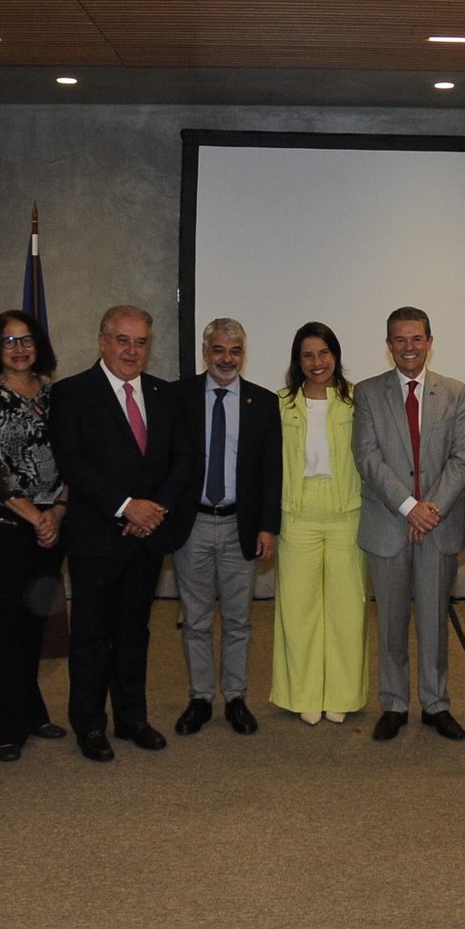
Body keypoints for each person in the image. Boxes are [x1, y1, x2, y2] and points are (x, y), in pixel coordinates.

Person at [50, 305, 193, 762]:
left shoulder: (164, 394)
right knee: (91, 635)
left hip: (147, 538)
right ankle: (90, 723)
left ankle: (132, 717)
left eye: (141, 342)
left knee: (134, 631)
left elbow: (182, 459)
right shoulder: (72, 393)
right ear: (102, 341)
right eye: (123, 340)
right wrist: (126, 506)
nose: (132, 351)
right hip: (96, 537)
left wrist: (155, 510)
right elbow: (72, 462)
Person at [354, 307, 465, 742]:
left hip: (438, 525)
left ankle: (436, 703)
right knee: (390, 622)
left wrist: (429, 510)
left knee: (433, 621)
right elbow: (367, 457)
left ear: (429, 341)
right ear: (389, 345)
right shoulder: (368, 393)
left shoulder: (456, 393)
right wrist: (409, 508)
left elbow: (463, 459)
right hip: (389, 523)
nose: (409, 347)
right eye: (400, 339)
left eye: (416, 338)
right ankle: (394, 703)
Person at [168, 318, 281, 736]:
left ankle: (235, 698)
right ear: (205, 352)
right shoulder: (178, 397)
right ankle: (200, 698)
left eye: (235, 351)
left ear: (243, 355)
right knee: (196, 620)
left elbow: (272, 470)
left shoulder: (263, 403)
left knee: (238, 621)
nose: (227, 359)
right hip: (192, 523)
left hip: (240, 525)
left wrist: (268, 526)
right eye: (219, 350)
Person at [0, 311, 69, 762]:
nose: (19, 349)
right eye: (9, 341)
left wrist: (57, 512)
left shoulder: (55, 396)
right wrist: (35, 516)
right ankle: (2, 728)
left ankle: (31, 712)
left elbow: (74, 456)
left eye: (26, 340)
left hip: (52, 527)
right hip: (2, 528)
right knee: (7, 625)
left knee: (34, 624)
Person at [269, 323, 372, 725]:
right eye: (308, 355)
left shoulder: (357, 401)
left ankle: (342, 695)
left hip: (348, 511)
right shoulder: (281, 403)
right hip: (297, 513)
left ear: (336, 356)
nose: (317, 362)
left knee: (347, 610)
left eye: (324, 353)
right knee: (298, 608)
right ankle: (304, 695)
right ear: (298, 361)